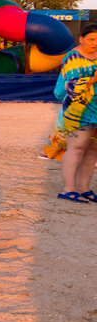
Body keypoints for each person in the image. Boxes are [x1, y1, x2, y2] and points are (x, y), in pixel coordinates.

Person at [49, 23, 97, 202]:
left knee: (93, 150)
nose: (94, 43)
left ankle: (84, 188)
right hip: (78, 109)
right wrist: (93, 79)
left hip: (96, 108)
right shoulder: (72, 57)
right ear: (81, 39)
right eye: (91, 39)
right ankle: (69, 188)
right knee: (77, 146)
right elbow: (71, 84)